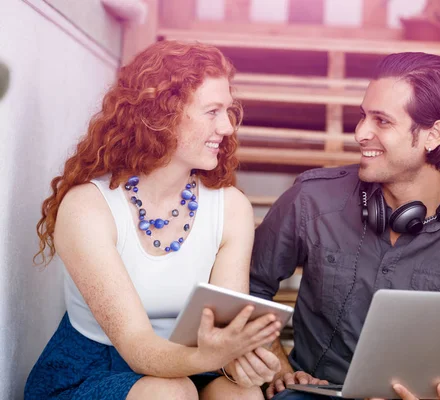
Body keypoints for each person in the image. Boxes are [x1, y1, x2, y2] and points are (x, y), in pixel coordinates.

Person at [250, 52, 440, 400]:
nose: (360, 133)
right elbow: (248, 288)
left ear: (433, 135)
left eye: (382, 121)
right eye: (362, 117)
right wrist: (278, 365)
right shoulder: (311, 199)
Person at [25, 40, 282, 400]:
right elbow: (138, 347)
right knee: (170, 393)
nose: (227, 127)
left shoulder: (231, 207)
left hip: (192, 362)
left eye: (229, 111)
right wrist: (214, 355)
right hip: (95, 368)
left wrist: (241, 361)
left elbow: (224, 327)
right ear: (161, 113)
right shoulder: (88, 207)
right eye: (212, 111)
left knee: (242, 394)